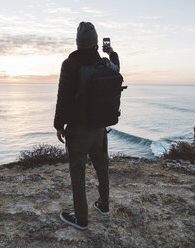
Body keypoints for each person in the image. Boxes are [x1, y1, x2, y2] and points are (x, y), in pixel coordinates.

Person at [54, 21, 120, 230]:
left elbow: (63, 96)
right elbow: (117, 69)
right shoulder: (104, 63)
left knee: (78, 173)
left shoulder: (70, 63)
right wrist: (112, 52)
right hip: (100, 128)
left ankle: (81, 219)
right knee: (102, 168)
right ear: (95, 43)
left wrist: (58, 124)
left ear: (77, 42)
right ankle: (104, 205)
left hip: (78, 129)